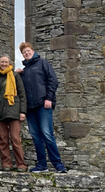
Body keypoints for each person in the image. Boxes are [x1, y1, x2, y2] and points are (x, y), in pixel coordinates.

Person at [17, 42, 67, 173]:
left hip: (43, 105)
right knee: (35, 136)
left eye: (28, 51)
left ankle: (58, 164)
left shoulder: (43, 63)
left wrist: (49, 98)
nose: (26, 53)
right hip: (30, 108)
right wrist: (16, 74)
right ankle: (42, 165)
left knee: (47, 134)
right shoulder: (25, 70)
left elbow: (53, 80)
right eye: (24, 52)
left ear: (33, 51)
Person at [0, 54, 28, 172]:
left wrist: (23, 111)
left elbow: (22, 94)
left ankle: (21, 164)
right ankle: (6, 164)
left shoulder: (15, 76)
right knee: (2, 139)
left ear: (10, 63)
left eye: (6, 62)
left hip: (14, 110)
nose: (4, 64)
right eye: (2, 62)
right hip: (0, 112)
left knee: (16, 139)